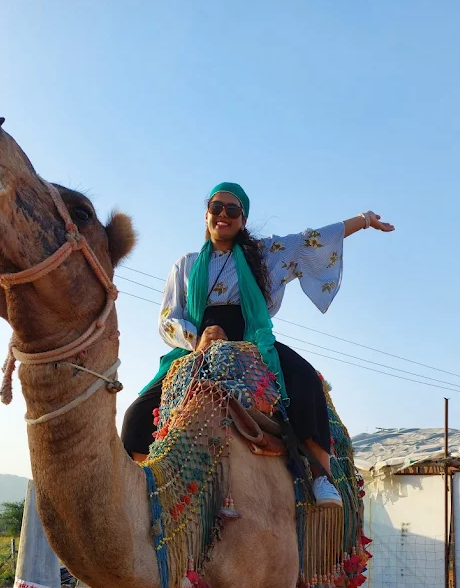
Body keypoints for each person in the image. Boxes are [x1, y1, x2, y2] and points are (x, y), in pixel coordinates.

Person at [121, 183, 394, 504]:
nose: (223, 215)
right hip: (196, 347)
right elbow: (168, 318)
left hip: (253, 342)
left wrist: (362, 220)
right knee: (136, 416)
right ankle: (151, 490)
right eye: (216, 207)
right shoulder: (186, 264)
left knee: (305, 380)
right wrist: (198, 339)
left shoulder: (264, 255)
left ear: (243, 219)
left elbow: (310, 241)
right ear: (207, 213)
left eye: (232, 210)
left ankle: (322, 477)